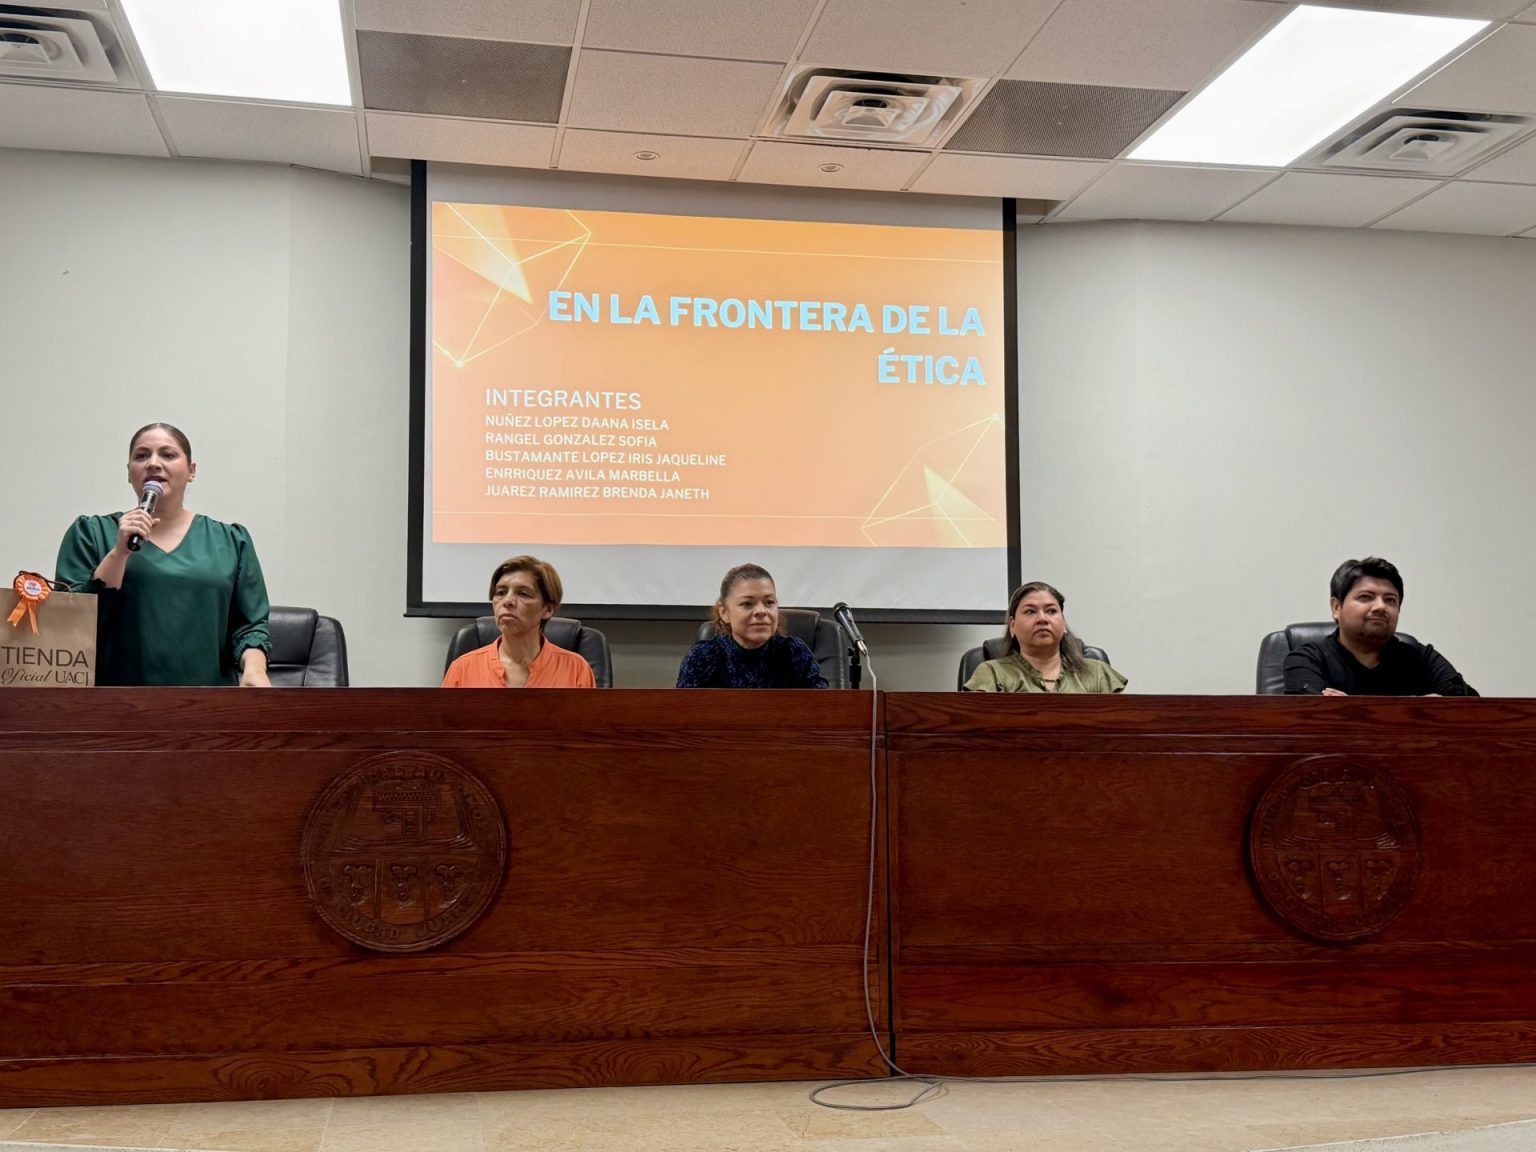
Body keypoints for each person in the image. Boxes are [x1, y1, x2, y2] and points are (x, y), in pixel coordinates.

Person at [55, 423, 271, 687]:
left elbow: (250, 626)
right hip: (116, 703)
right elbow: (70, 624)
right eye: (142, 456)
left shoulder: (231, 541)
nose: (153, 464)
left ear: (191, 471)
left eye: (168, 455)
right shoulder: (91, 533)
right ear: (129, 472)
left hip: (208, 703)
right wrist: (119, 553)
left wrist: (255, 670)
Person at [1283, 557, 1476, 696]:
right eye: (1365, 597)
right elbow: (1312, 719)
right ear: (1336, 607)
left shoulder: (1420, 658)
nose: (1380, 607)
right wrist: (1416, 711)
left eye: (1390, 600)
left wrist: (1349, 709)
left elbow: (1470, 707)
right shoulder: (1308, 659)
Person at [442, 555, 596, 688]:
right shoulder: (463, 669)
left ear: (547, 609)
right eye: (501, 592)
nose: (507, 601)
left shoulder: (576, 670)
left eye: (523, 594)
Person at [676, 563, 828, 688]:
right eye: (747, 604)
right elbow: (683, 711)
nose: (761, 611)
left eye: (769, 602)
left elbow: (823, 707)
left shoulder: (793, 652)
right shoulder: (703, 657)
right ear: (724, 612)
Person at [963, 581, 1126, 693]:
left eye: (1051, 611)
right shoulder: (992, 673)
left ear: (1063, 623)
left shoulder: (1097, 673)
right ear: (1012, 625)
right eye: (1030, 611)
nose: (1042, 619)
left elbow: (1120, 728)